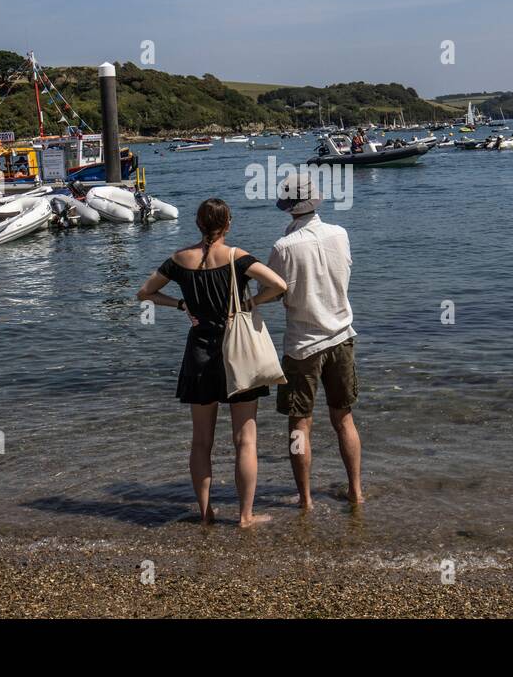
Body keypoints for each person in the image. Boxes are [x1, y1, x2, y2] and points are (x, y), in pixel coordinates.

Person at [137, 198, 288, 527]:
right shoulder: (237, 257)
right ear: (228, 224)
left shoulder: (179, 259)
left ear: (198, 224)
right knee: (245, 440)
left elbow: (144, 293)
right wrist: (248, 301)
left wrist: (179, 305)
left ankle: (205, 514)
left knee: (201, 440)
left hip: (199, 355)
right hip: (239, 357)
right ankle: (245, 516)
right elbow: (279, 285)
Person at [267, 174, 364, 508]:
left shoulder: (283, 247)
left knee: (299, 425)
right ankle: (356, 490)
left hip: (302, 344)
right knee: (344, 419)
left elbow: (273, 292)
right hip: (341, 336)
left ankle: (306, 499)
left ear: (288, 208)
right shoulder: (341, 234)